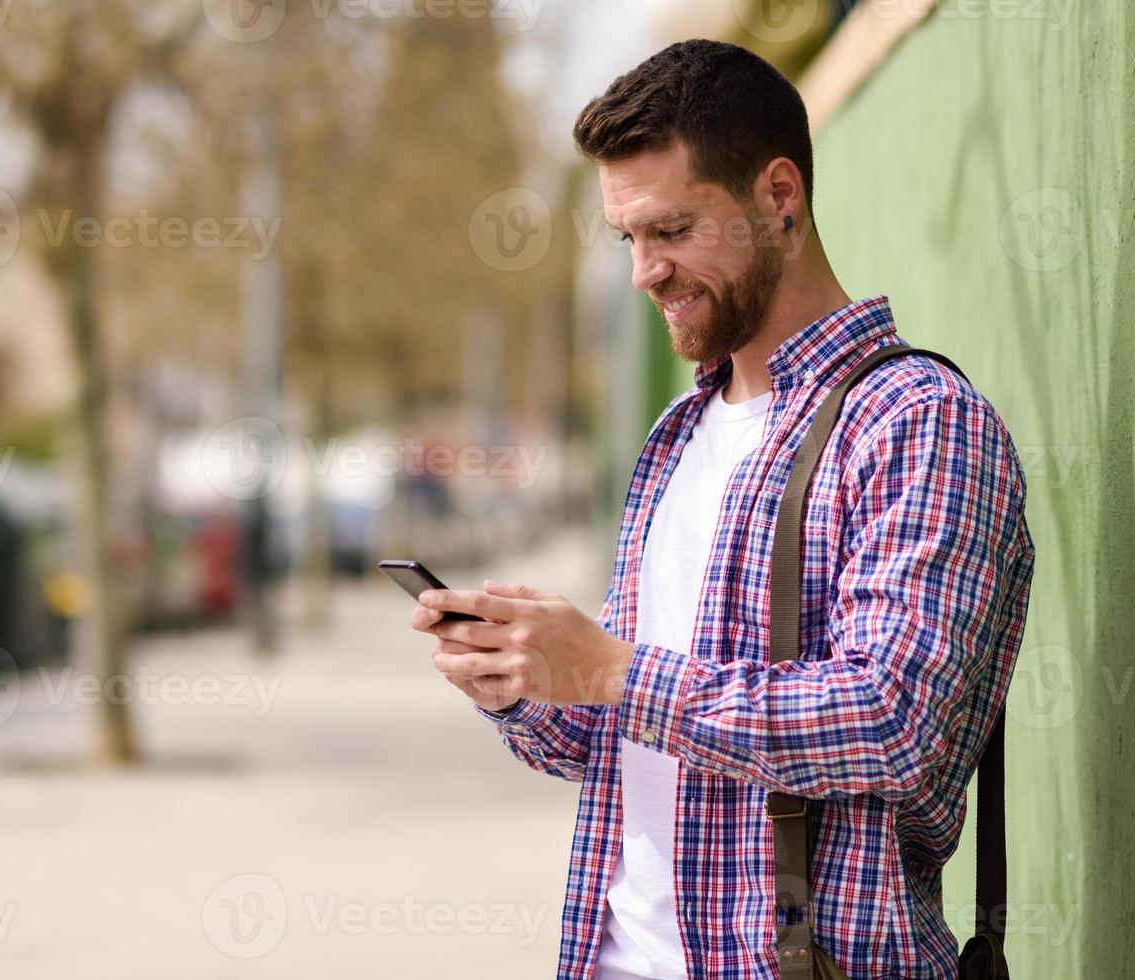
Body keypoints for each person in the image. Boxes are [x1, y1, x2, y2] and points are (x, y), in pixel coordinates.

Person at [409, 38, 1035, 979]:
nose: (643, 272)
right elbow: (626, 739)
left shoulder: (916, 422)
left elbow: (894, 721)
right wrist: (524, 681)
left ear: (778, 197)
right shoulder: (676, 435)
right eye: (628, 239)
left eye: (671, 230)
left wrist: (616, 670)